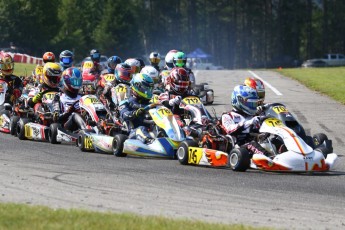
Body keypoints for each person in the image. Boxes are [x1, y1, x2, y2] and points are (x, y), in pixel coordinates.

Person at [220, 84, 270, 156]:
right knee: (251, 145)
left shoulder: (252, 116)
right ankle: (270, 158)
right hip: (238, 147)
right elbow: (230, 130)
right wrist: (250, 123)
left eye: (254, 103)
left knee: (275, 141)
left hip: (255, 144)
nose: (252, 106)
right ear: (239, 100)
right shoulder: (228, 116)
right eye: (250, 103)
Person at [119, 73, 155, 144]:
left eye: (149, 89)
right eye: (145, 88)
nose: (147, 91)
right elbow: (125, 115)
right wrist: (136, 113)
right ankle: (151, 142)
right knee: (141, 129)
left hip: (151, 130)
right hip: (133, 132)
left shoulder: (151, 104)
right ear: (137, 86)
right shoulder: (126, 102)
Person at [53, 67, 86, 131]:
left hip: (83, 122)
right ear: (66, 81)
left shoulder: (83, 97)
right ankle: (86, 132)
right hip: (66, 125)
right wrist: (68, 112)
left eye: (78, 82)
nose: (76, 85)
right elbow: (56, 118)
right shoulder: (58, 97)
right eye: (74, 82)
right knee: (75, 115)